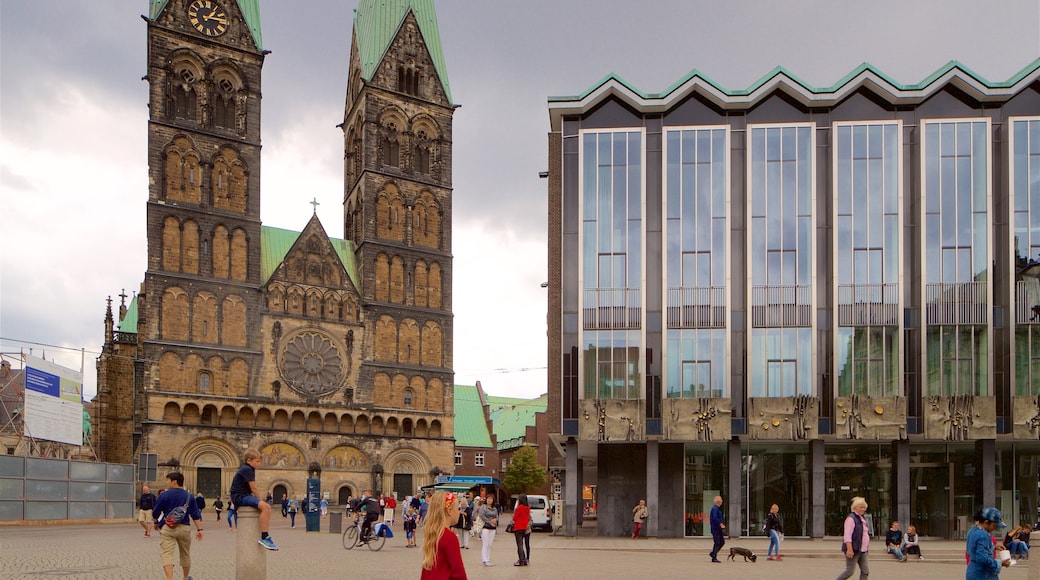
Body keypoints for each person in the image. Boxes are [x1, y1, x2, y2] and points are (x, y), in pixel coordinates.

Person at [151, 471, 203, 580]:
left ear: (174, 482)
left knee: (167, 554)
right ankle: (185, 578)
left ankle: (170, 579)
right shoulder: (189, 496)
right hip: (184, 528)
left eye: (168, 480)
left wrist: (156, 522)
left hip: (168, 527)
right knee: (185, 554)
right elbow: (195, 514)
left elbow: (155, 512)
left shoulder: (164, 495)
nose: (166, 482)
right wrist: (200, 529)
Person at [229, 448, 278, 550]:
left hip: (242, 495)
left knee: (264, 507)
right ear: (249, 461)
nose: (259, 464)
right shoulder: (247, 469)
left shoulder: (248, 469)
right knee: (266, 507)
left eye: (260, 461)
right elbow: (253, 487)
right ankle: (265, 537)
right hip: (240, 496)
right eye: (257, 461)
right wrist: (260, 500)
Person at [420, 490, 468, 579]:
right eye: (458, 508)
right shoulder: (449, 537)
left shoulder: (432, 533)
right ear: (449, 510)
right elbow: (458, 571)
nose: (459, 512)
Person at [967, 507, 1012, 579]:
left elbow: (976, 548)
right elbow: (982, 558)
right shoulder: (983, 536)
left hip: (973, 571)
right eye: (994, 525)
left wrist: (993, 546)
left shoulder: (972, 531)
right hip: (983, 574)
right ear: (986, 522)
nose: (996, 528)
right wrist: (1000, 564)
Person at [836, 496, 870, 580]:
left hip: (863, 549)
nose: (863, 509)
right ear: (855, 507)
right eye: (861, 507)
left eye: (864, 507)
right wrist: (849, 549)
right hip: (854, 549)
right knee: (849, 571)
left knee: (865, 571)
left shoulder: (862, 518)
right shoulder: (851, 519)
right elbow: (847, 536)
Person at [475, 495, 498, 567]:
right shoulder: (483, 507)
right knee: (485, 544)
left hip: (493, 528)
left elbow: (497, 516)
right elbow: (482, 516)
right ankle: (484, 559)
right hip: (485, 527)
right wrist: (489, 521)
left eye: (491, 499)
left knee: (490, 544)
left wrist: (495, 520)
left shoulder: (494, 508)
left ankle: (488, 558)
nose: (489, 500)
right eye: (488, 499)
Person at [512, 494, 531, 566]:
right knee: (522, 544)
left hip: (518, 527)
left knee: (519, 545)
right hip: (524, 528)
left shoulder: (519, 508)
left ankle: (521, 560)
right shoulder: (527, 508)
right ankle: (524, 559)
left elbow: (514, 518)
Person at [709, 495, 726, 563]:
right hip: (716, 529)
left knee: (722, 542)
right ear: (718, 501)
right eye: (721, 500)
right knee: (717, 543)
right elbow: (715, 518)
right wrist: (720, 524)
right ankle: (714, 557)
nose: (722, 501)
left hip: (718, 529)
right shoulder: (715, 509)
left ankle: (713, 553)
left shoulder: (717, 509)